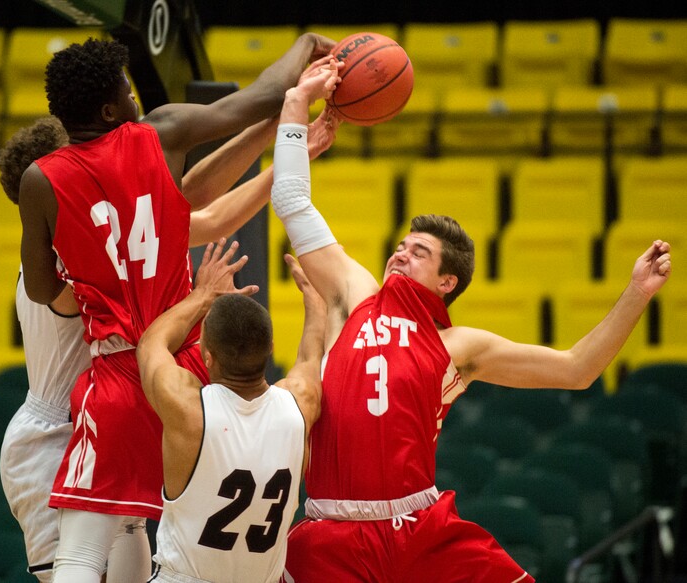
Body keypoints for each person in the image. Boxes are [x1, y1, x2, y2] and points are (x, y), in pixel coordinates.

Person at [270, 82, 673, 581]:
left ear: (447, 281)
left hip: (416, 529)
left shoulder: (457, 345)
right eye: (401, 246)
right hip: (331, 527)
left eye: (419, 252)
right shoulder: (356, 294)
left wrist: (636, 293)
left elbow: (578, 369)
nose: (401, 253)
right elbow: (291, 199)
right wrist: (293, 103)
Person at [16, 31, 335, 583]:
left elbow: (44, 289)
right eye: (126, 88)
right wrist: (305, 47)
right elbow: (264, 91)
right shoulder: (159, 132)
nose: (135, 96)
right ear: (109, 106)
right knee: (145, 527)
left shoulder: (41, 180)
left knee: (84, 551)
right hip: (188, 370)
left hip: (117, 370)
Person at [136, 240, 325, 583]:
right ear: (270, 348)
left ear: (207, 357)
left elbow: (151, 344)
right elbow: (312, 357)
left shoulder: (188, 407)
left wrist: (203, 294)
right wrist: (314, 300)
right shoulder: (300, 404)